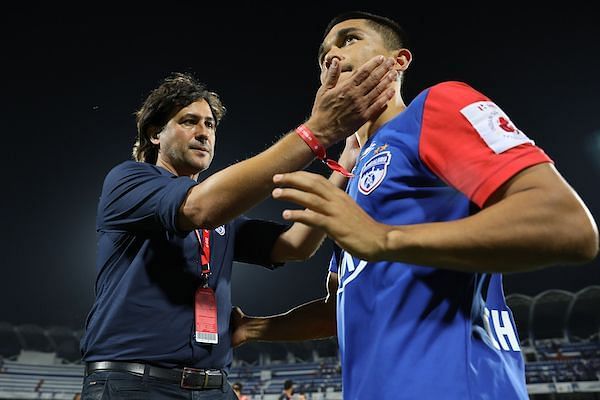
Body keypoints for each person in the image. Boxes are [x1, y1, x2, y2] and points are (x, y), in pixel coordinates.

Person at [230, 10, 600, 400]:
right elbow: (341, 307)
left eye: (350, 39)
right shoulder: (353, 182)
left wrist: (384, 237)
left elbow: (566, 224)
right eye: (324, 54)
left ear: (398, 61)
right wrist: (253, 328)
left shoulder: (435, 107)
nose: (332, 56)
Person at [79, 57, 398, 399]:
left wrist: (345, 162)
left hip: (214, 386)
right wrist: (316, 132)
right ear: (156, 133)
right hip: (136, 384)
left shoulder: (221, 222)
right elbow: (202, 206)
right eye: (189, 122)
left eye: (210, 125)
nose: (203, 132)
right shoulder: (129, 181)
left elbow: (296, 245)